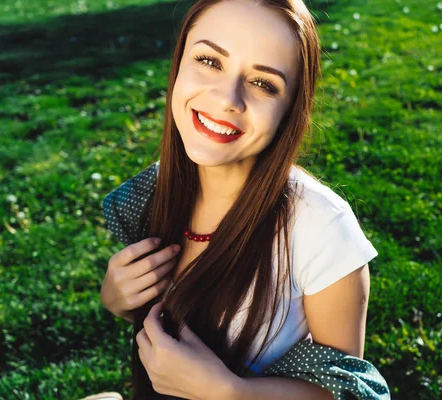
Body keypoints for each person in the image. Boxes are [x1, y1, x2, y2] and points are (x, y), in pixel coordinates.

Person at [98, 0, 380, 398]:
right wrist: (117, 299)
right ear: (178, 63)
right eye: (210, 61)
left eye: (264, 84)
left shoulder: (321, 229)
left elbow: (346, 391)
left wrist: (229, 392)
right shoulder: (158, 187)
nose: (228, 97)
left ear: (291, 110)